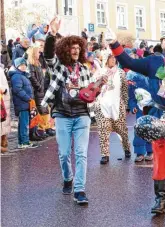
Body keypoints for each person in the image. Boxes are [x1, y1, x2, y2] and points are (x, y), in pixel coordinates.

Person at [108, 30, 165, 214]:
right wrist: (114, 44)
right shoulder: (153, 62)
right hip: (159, 118)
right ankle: (160, 200)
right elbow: (129, 63)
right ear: (162, 43)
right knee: (160, 160)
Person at [41, 17, 97, 204]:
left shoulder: (85, 69)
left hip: (82, 115)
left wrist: (97, 87)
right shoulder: (58, 66)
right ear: (65, 49)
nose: (76, 50)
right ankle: (68, 178)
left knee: (81, 153)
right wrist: (52, 34)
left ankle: (79, 190)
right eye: (72, 48)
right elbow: (48, 55)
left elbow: (89, 91)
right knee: (64, 153)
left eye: (78, 48)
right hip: (63, 115)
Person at [94, 54, 131, 164]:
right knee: (103, 130)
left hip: (117, 105)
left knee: (122, 131)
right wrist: (100, 81)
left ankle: (126, 148)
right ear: (106, 59)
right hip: (102, 105)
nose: (113, 60)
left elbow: (124, 90)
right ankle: (105, 154)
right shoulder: (100, 72)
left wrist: (125, 105)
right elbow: (93, 87)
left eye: (115, 58)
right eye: (111, 58)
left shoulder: (121, 73)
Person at [127, 51, 153, 162]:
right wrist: (132, 105)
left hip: (153, 107)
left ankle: (151, 151)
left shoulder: (152, 73)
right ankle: (139, 152)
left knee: (151, 129)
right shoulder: (131, 76)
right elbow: (131, 95)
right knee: (139, 129)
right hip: (140, 108)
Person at [9, 58, 38, 149]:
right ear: (17, 66)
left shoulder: (23, 75)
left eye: (25, 65)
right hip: (23, 103)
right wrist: (28, 98)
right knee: (24, 124)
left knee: (24, 123)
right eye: (21, 65)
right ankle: (24, 142)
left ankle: (23, 141)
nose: (24, 66)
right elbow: (17, 89)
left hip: (25, 103)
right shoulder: (17, 76)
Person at [26, 46, 54, 140]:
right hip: (37, 91)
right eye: (38, 52)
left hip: (41, 90)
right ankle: (39, 130)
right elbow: (32, 77)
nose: (39, 54)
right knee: (39, 110)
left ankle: (43, 129)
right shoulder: (30, 64)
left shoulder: (37, 63)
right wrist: (39, 86)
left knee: (44, 109)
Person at [0, 67, 11, 153]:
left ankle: (3, 141)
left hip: (4, 98)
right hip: (2, 95)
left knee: (4, 119)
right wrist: (3, 89)